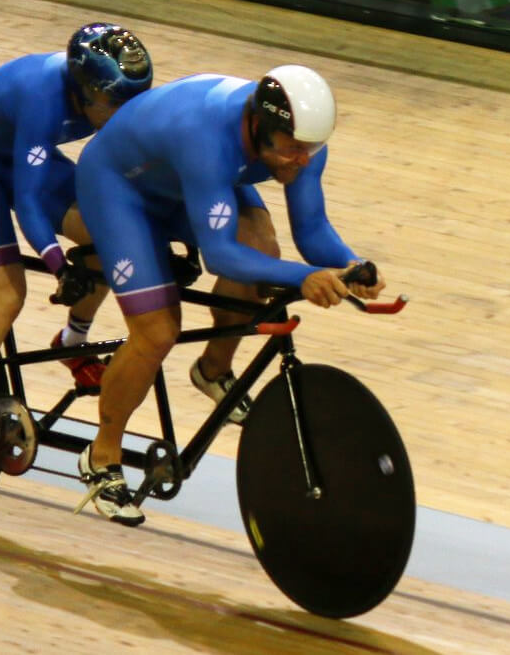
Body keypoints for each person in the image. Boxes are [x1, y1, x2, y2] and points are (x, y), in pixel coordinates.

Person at [73, 65, 387, 526]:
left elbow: (313, 230)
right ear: (260, 124)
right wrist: (305, 277)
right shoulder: (207, 137)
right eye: (293, 149)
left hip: (187, 181)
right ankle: (101, 456)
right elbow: (220, 256)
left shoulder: (298, 141)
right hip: (120, 188)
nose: (302, 160)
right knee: (157, 331)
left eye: (311, 150)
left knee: (263, 245)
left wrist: (349, 264)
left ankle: (213, 370)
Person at [0, 22, 153, 487]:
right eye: (116, 104)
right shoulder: (42, 97)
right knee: (6, 296)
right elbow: (30, 203)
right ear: (85, 90)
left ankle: (73, 342)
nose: (124, 115)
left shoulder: (101, 97)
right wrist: (57, 263)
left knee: (110, 235)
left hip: (23, 155)